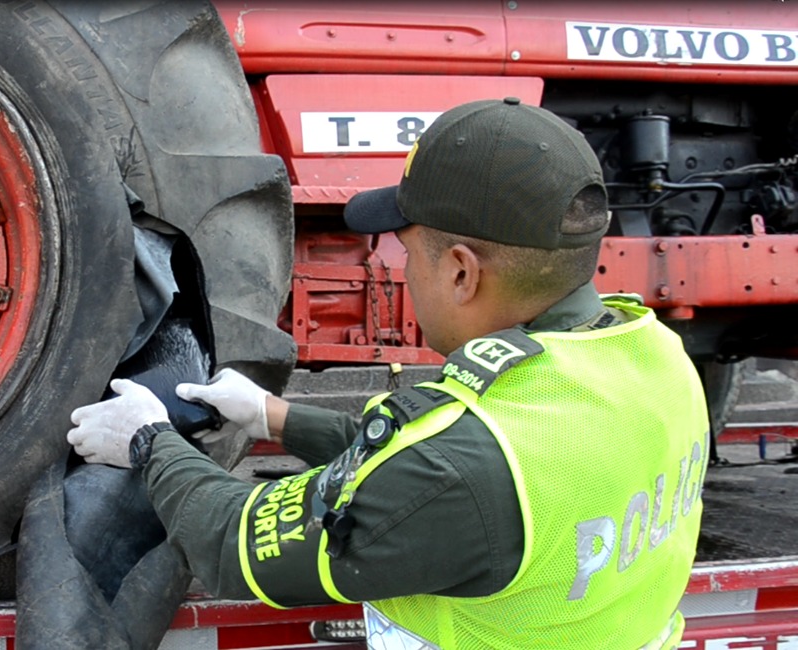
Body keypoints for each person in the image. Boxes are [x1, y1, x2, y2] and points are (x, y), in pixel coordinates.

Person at [67, 97, 709, 649]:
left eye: (408, 252)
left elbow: (236, 545)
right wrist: (272, 416)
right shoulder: (652, 355)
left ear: (461, 272)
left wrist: (149, 442)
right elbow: (434, 473)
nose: (404, 271)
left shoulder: (464, 468)